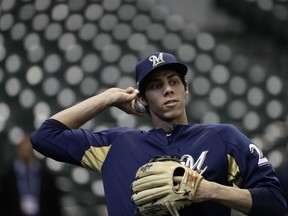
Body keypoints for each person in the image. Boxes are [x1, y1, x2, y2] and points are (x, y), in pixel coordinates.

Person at [30, 52, 287, 216]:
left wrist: (208, 190)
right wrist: (109, 97)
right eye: (155, 85)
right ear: (142, 99)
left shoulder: (223, 138)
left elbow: (276, 203)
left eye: (173, 81)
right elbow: (45, 137)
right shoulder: (117, 145)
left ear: (185, 88)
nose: (167, 90)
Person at [0, 133, 63, 216]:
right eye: (23, 147)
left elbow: (53, 201)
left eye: (28, 148)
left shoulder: (46, 175)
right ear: (18, 149)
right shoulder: (8, 176)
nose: (26, 150)